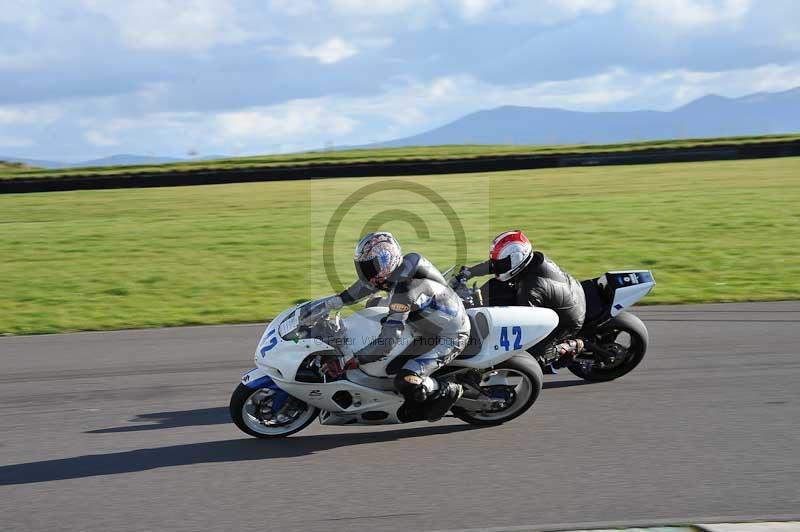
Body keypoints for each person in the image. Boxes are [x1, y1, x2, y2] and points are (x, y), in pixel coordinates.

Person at [301, 231, 469, 421]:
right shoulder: (398, 268)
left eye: (369, 267)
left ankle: (449, 389)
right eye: (362, 266)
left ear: (386, 262)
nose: (365, 272)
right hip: (423, 321)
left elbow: (388, 340)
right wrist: (331, 303)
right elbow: (363, 287)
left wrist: (354, 360)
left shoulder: (404, 290)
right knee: (371, 306)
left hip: (448, 336)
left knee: (405, 380)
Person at [458, 230, 586, 372]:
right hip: (569, 292)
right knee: (495, 286)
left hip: (567, 321)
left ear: (517, 259)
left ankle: (571, 346)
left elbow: (525, 325)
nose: (497, 266)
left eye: (502, 263)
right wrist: (470, 272)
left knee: (529, 356)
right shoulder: (531, 259)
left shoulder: (530, 289)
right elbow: (496, 265)